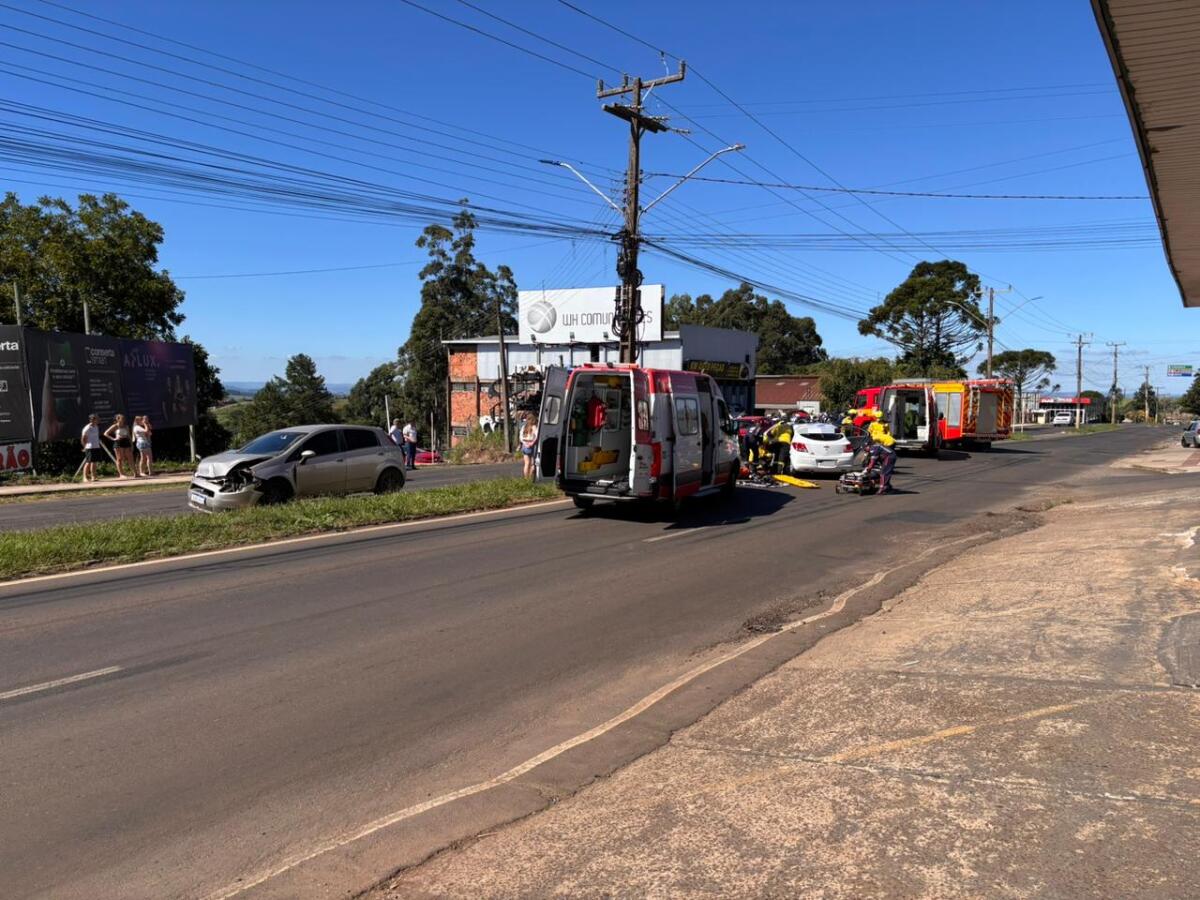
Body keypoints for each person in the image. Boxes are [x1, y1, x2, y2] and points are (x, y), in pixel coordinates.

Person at [863, 424, 898, 495]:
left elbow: (872, 462)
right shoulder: (875, 446)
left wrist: (868, 469)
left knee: (884, 473)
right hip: (889, 455)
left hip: (889, 456)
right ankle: (887, 486)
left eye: (865, 448)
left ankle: (882, 489)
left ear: (868, 446)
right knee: (885, 471)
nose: (865, 450)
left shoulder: (873, 448)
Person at [104, 413, 134, 478]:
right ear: (117, 419)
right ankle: (121, 474)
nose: (123, 419)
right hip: (118, 443)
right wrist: (114, 439)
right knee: (119, 459)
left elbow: (129, 436)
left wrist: (131, 445)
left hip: (126, 442)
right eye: (121, 418)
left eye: (123, 418)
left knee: (130, 458)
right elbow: (105, 433)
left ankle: (135, 473)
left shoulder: (126, 426)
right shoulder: (115, 426)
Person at [81, 413, 102, 483]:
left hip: (96, 446)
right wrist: (84, 447)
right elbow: (83, 439)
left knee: (94, 462)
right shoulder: (87, 428)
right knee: (88, 462)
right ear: (92, 419)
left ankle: (93, 477)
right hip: (89, 447)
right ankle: (85, 477)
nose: (99, 419)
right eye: (97, 418)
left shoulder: (96, 426)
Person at [519, 414, 539, 479]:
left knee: (526, 463)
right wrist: (532, 443)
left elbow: (521, 437)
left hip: (524, 446)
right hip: (531, 446)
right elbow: (536, 437)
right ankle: (530, 478)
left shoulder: (524, 427)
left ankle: (526, 478)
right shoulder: (534, 427)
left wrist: (525, 443)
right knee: (533, 464)